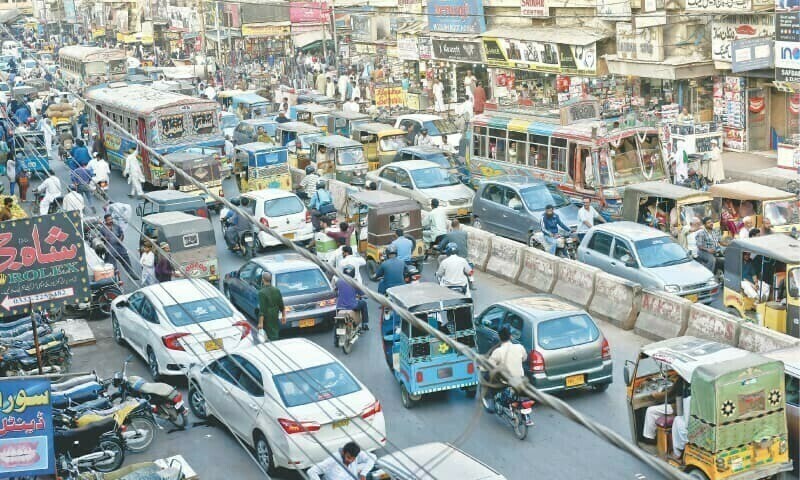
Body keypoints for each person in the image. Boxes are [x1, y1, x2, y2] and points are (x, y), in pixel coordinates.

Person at [306, 442, 375, 480]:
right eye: (348, 457)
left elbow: (373, 457)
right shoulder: (333, 460)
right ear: (343, 453)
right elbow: (311, 471)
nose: (350, 461)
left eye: (353, 459)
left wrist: (363, 474)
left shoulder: (356, 454)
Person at [101, 214, 138, 281]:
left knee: (126, 258)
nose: (111, 221)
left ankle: (131, 274)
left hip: (119, 247)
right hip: (110, 249)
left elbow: (122, 234)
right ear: (105, 221)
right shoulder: (103, 229)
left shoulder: (116, 226)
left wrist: (120, 239)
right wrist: (104, 238)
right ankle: (114, 279)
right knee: (112, 266)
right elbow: (100, 238)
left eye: (111, 219)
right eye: (109, 220)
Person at [336, 264, 369, 331]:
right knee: (363, 303)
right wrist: (364, 295)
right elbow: (362, 294)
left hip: (339, 306)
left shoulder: (338, 281)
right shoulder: (354, 282)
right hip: (351, 306)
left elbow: (336, 291)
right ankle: (365, 324)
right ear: (353, 273)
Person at [258, 271, 285, 341]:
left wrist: (260, 323)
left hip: (268, 316)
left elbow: (262, 310)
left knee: (270, 334)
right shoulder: (276, 290)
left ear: (263, 279)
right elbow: (281, 305)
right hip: (275, 314)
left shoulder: (262, 292)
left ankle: (273, 345)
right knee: (275, 330)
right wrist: (283, 316)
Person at [671, 393, 692, 459]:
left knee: (677, 420)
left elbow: (686, 422)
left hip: (693, 431)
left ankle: (677, 453)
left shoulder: (689, 399)